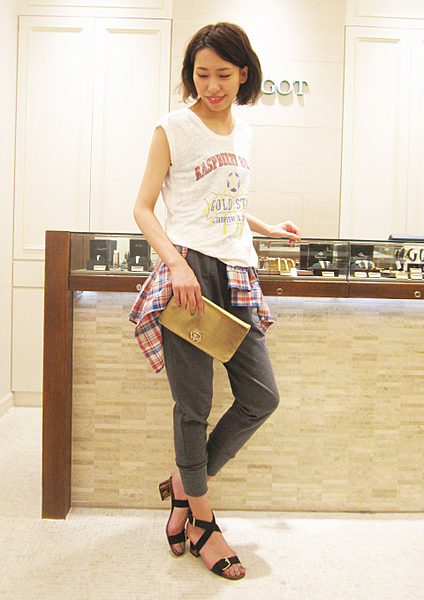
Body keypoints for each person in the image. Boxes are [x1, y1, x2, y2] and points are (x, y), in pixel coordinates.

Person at [130, 22, 300, 581]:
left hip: (239, 270)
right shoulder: (173, 128)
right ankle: (202, 520)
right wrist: (176, 264)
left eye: (223, 74)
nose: (212, 86)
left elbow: (225, 199)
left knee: (261, 397)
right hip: (191, 275)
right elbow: (144, 207)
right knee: (194, 406)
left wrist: (265, 227)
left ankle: (185, 483)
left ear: (243, 73)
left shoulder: (243, 132)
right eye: (202, 74)